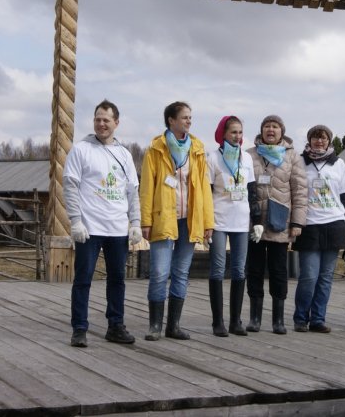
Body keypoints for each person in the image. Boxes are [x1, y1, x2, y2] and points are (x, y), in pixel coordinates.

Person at [63, 100, 143, 348]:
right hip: (90, 228)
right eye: (98, 119)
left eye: (106, 120)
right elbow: (70, 186)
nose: (101, 124)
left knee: (117, 279)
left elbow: (132, 191)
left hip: (117, 228)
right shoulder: (81, 150)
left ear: (116, 123)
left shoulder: (124, 154)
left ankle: (115, 325)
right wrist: (75, 221)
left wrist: (135, 222)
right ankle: (79, 328)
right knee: (83, 278)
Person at [141, 101, 214, 341]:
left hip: (190, 219)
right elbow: (147, 187)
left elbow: (204, 188)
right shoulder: (155, 149)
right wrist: (145, 220)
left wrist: (208, 222)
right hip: (164, 217)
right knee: (159, 272)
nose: (189, 121)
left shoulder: (198, 149)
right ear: (171, 120)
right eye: (184, 117)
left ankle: (173, 325)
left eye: (190, 117)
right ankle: (154, 326)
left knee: (181, 272)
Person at [246, 115, 308, 335]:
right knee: (254, 270)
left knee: (278, 271)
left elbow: (300, 191)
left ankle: (278, 320)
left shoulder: (292, 157)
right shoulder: (249, 155)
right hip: (253, 222)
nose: (270, 130)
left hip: (280, 222)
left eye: (274, 126)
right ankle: (254, 318)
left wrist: (297, 222)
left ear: (282, 131)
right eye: (266, 126)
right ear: (261, 130)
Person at [292, 125, 345, 334]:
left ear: (329, 141)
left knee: (326, 277)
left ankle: (318, 318)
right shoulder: (300, 161)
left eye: (324, 138)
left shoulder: (339, 163)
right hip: (309, 224)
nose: (319, 141)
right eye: (316, 138)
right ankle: (301, 317)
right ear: (309, 140)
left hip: (334, 222)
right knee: (309, 276)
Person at [207, 116, 259, 336]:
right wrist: (206, 223)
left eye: (240, 132)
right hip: (219, 219)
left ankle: (235, 321)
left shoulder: (246, 158)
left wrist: (257, 220)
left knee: (239, 269)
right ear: (223, 134)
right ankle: (217, 322)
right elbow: (207, 192)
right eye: (233, 132)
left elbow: (252, 190)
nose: (237, 137)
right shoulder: (213, 158)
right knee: (218, 268)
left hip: (241, 221)